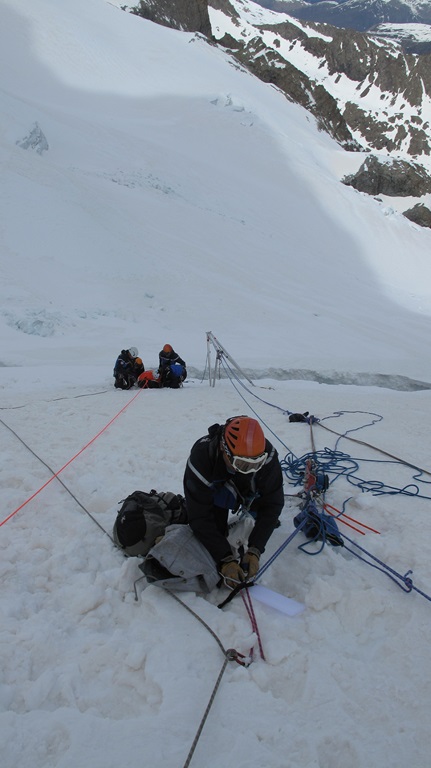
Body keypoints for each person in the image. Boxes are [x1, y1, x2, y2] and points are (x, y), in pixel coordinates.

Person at [183, 415, 284, 588]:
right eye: (243, 465)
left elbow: (273, 504)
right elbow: (199, 516)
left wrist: (256, 548)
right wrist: (225, 559)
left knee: (263, 515)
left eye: (256, 464)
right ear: (224, 449)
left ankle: (251, 507)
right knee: (214, 533)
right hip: (219, 490)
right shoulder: (202, 458)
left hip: (251, 492)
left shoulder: (268, 456)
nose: (249, 471)